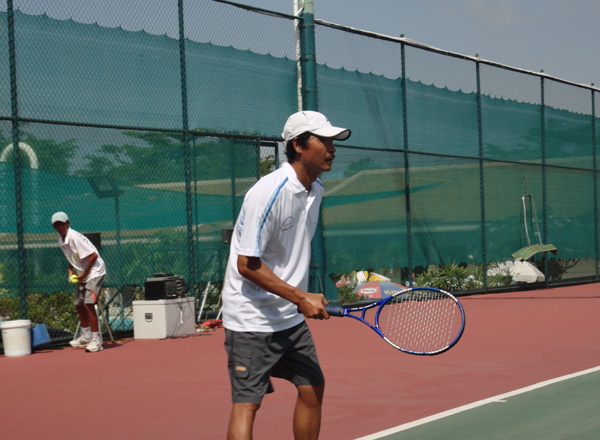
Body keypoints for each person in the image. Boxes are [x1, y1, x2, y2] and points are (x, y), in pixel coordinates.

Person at [221, 110, 351, 440]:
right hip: (251, 318)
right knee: (248, 404)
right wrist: (300, 297)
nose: (332, 149)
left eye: (333, 142)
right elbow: (246, 264)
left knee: (312, 387)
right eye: (324, 141)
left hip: (288, 318)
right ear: (299, 145)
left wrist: (300, 298)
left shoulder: (315, 190)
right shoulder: (268, 192)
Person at [51, 211, 107, 353]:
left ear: (68, 223)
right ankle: (86, 335)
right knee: (79, 303)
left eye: (62, 224)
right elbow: (72, 258)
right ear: (54, 227)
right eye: (57, 225)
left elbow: (93, 255)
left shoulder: (74, 237)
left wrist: (83, 274)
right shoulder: (61, 240)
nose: (60, 227)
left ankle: (97, 341)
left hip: (95, 272)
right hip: (84, 273)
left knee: (89, 304)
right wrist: (70, 270)